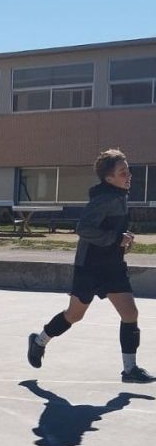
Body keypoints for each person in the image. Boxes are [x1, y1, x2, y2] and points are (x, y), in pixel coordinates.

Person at [26, 148, 155, 383]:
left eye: (128, 171)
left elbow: (110, 229)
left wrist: (123, 238)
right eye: (122, 172)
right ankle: (39, 340)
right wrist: (115, 239)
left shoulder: (119, 196)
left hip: (113, 266)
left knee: (130, 313)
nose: (128, 176)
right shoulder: (104, 199)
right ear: (109, 178)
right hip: (90, 267)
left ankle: (130, 370)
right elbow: (84, 229)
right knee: (74, 315)